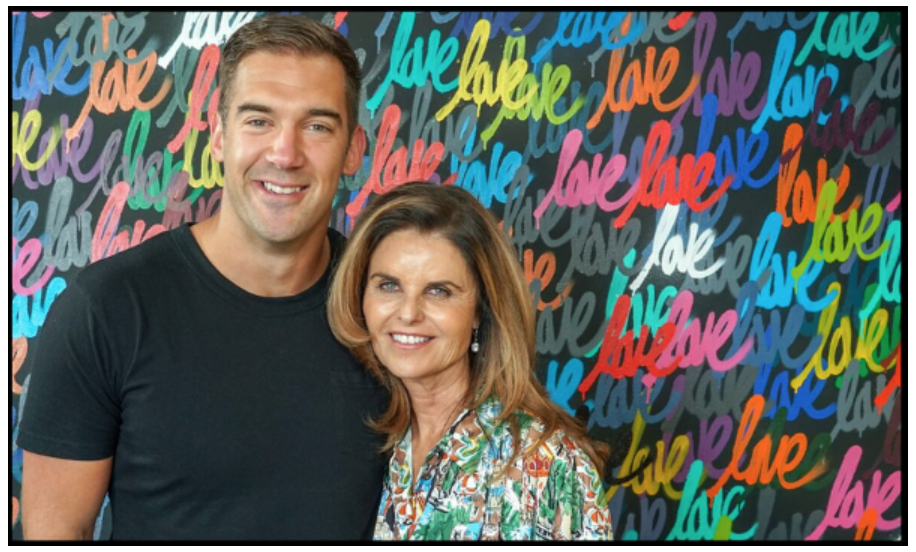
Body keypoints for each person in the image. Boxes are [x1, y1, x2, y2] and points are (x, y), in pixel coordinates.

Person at [17, 14, 387, 540]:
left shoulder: (392, 312)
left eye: (317, 126)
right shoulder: (105, 309)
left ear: (354, 149)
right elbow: (52, 535)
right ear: (218, 136)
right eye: (258, 121)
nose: (285, 154)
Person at [328, 182, 613, 541]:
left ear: (480, 309)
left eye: (438, 291)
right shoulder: (365, 441)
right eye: (389, 286)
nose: (409, 313)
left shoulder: (551, 465)